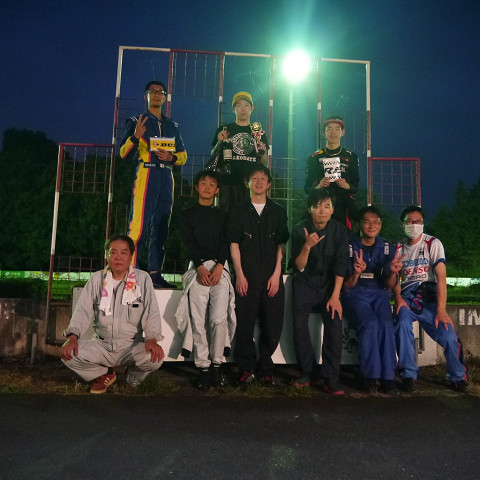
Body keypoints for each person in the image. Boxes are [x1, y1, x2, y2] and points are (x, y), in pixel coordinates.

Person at [61, 234, 164, 394]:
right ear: (107, 255)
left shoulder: (142, 279)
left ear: (131, 255)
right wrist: (72, 337)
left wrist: (151, 339)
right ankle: (103, 374)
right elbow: (82, 312)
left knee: (154, 358)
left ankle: (133, 379)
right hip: (102, 345)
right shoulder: (97, 279)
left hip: (131, 345)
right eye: (113, 252)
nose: (118, 257)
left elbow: (152, 313)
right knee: (68, 354)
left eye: (123, 252)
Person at [120, 80, 187, 289]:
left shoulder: (173, 126)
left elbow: (183, 155)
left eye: (161, 92)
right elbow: (123, 153)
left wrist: (171, 157)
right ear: (146, 96)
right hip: (146, 174)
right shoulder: (136, 121)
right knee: (138, 227)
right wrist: (135, 137)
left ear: (165, 97)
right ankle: (131, 273)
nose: (157, 94)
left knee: (161, 228)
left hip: (166, 177)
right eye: (153, 91)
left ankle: (155, 273)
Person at [394, 206, 468, 392]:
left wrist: (441, 311)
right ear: (402, 224)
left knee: (448, 335)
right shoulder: (398, 248)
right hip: (407, 296)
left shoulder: (432, 243)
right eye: (409, 221)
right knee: (402, 324)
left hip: (429, 297)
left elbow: (441, 277)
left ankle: (457, 376)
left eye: (418, 221)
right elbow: (394, 279)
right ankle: (408, 374)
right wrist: (398, 298)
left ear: (423, 223)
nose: (414, 225)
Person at [227, 164, 289, 385]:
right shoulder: (238, 210)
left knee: (272, 323)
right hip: (247, 275)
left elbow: (281, 245)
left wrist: (277, 274)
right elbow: (234, 243)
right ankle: (246, 368)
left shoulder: (278, 211)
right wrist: (239, 274)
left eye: (263, 178)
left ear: (269, 183)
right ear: (248, 183)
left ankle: (266, 369)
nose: (259, 181)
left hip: (271, 276)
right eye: (255, 178)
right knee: (244, 322)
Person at [175, 170, 236, 390]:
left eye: (212, 184)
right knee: (198, 319)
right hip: (196, 269)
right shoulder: (186, 214)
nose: (207, 187)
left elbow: (226, 241)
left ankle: (217, 365)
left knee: (218, 319)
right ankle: (202, 367)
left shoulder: (224, 215)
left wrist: (219, 266)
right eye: (203, 183)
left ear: (217, 190)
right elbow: (188, 242)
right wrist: (200, 267)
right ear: (197, 187)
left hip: (220, 269)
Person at [290, 189, 349, 394]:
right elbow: (298, 267)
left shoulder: (339, 231)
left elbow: (341, 264)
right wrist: (306, 246)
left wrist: (335, 296)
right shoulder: (300, 230)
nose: (322, 211)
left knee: (334, 323)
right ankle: (307, 371)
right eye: (317, 206)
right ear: (309, 209)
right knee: (299, 323)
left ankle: (330, 376)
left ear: (332, 210)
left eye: (326, 206)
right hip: (305, 282)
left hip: (329, 284)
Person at [341, 206, 403, 393]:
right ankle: (369, 376)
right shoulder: (348, 245)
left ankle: (388, 377)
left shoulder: (387, 247)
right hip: (355, 293)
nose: (371, 225)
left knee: (386, 325)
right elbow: (346, 285)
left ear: (380, 225)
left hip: (379, 293)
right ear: (359, 224)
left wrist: (393, 272)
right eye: (367, 221)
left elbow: (389, 285)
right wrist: (356, 273)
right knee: (370, 323)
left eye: (376, 222)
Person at [211, 91, 269, 211]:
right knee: (227, 217)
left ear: (252, 108)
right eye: (239, 105)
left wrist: (262, 152)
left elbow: (264, 162)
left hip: (251, 184)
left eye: (246, 105)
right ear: (234, 109)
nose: (243, 109)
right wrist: (219, 142)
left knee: (250, 218)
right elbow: (213, 155)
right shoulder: (224, 129)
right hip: (228, 183)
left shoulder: (259, 133)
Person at [304, 116, 359, 229]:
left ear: (342, 132)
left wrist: (346, 185)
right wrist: (318, 186)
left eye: (337, 129)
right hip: (321, 206)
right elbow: (307, 188)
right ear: (323, 133)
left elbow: (356, 187)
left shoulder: (351, 157)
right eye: (329, 129)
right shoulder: (315, 157)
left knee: (343, 234)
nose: (333, 132)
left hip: (342, 206)